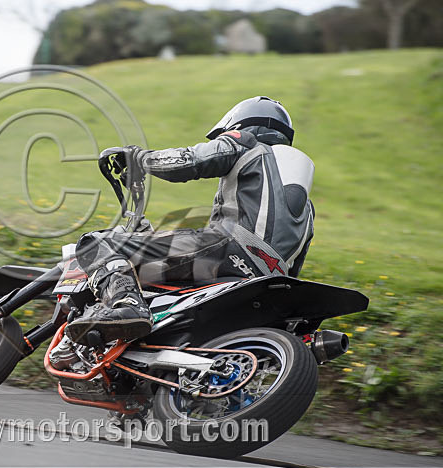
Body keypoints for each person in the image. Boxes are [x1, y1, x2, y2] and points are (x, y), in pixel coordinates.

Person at [64, 96, 315, 346]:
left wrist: (138, 159)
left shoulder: (246, 142)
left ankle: (126, 305)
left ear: (241, 124)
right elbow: (296, 264)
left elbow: (190, 161)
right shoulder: (307, 207)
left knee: (97, 243)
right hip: (268, 276)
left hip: (225, 249)